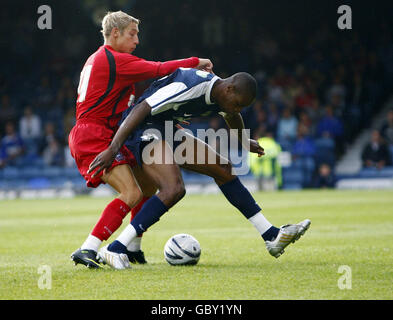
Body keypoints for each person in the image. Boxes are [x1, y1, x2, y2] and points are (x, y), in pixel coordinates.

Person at [88, 68, 311, 269]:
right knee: (173, 188)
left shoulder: (222, 96)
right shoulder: (189, 85)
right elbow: (142, 108)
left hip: (166, 128)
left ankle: (270, 235)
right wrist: (113, 148)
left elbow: (231, 115)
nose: (238, 109)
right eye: (238, 103)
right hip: (141, 127)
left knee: (223, 167)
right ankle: (115, 247)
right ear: (229, 88)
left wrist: (244, 141)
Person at [69, 11, 213, 268]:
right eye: (132, 34)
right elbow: (157, 69)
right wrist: (195, 62)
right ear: (115, 34)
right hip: (94, 134)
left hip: (104, 131)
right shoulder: (113, 60)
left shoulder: (101, 59)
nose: (137, 40)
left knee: (146, 188)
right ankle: (89, 247)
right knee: (132, 192)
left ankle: (133, 247)